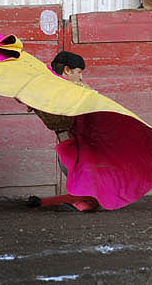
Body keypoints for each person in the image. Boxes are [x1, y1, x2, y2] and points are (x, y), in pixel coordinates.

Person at [26, 51, 100, 212]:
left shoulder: (45, 87)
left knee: (84, 184)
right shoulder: (76, 90)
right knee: (89, 188)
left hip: (67, 144)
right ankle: (81, 204)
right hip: (79, 147)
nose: (81, 78)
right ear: (67, 70)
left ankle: (44, 202)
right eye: (79, 72)